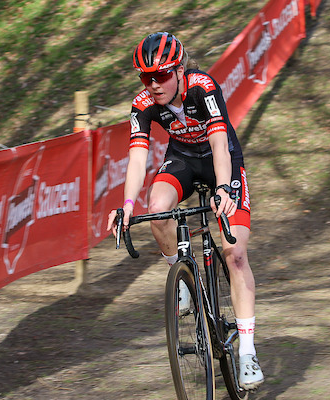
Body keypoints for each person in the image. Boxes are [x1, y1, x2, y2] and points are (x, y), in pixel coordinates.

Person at [107, 31, 264, 390]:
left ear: (178, 70)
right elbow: (136, 157)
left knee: (234, 253)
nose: (154, 84)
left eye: (161, 75)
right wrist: (127, 206)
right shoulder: (144, 102)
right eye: (146, 77)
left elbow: (219, 143)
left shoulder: (202, 86)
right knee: (156, 209)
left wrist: (224, 188)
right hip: (182, 161)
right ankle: (184, 283)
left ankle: (248, 351)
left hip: (221, 161)